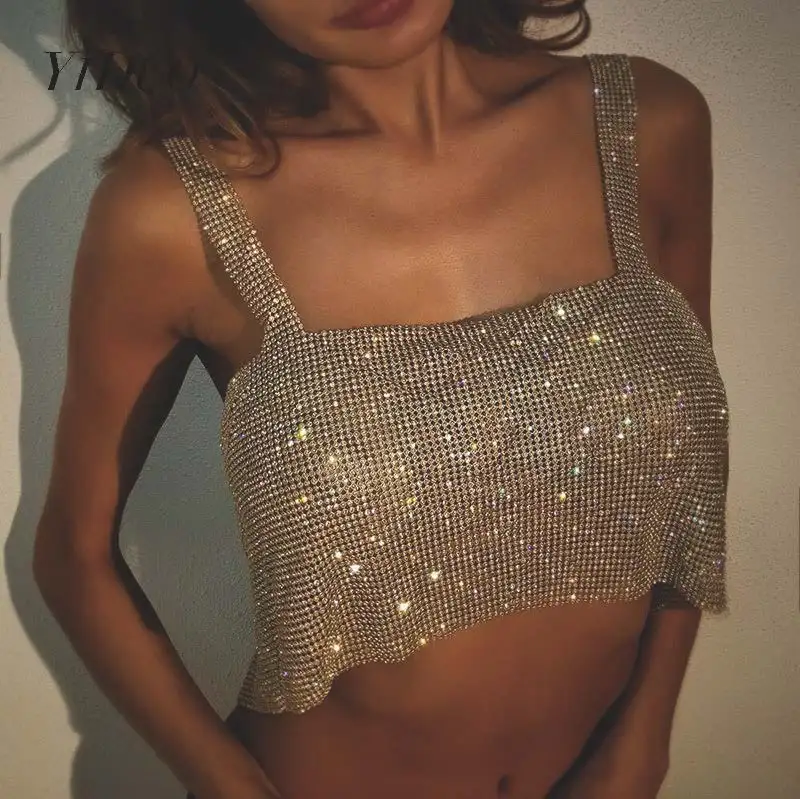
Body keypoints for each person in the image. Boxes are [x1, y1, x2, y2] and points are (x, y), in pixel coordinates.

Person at [33, 1, 730, 798]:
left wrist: (646, 738)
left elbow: (696, 469)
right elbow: (74, 553)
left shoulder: (648, 122)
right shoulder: (170, 211)